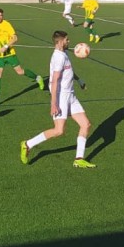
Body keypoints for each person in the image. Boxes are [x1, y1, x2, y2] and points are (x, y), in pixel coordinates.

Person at [19, 30, 95, 169]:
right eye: (67, 40)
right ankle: (27, 144)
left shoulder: (64, 53)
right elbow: (54, 81)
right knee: (59, 131)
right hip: (61, 97)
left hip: (70, 95)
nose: (69, 41)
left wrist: (79, 80)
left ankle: (79, 158)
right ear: (60, 42)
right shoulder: (58, 57)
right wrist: (53, 103)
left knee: (86, 124)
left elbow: (69, 70)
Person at [0, 8, 45, 105]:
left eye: (1, 15)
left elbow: (15, 38)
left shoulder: (7, 24)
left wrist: (5, 47)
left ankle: (38, 78)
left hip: (10, 54)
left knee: (20, 72)